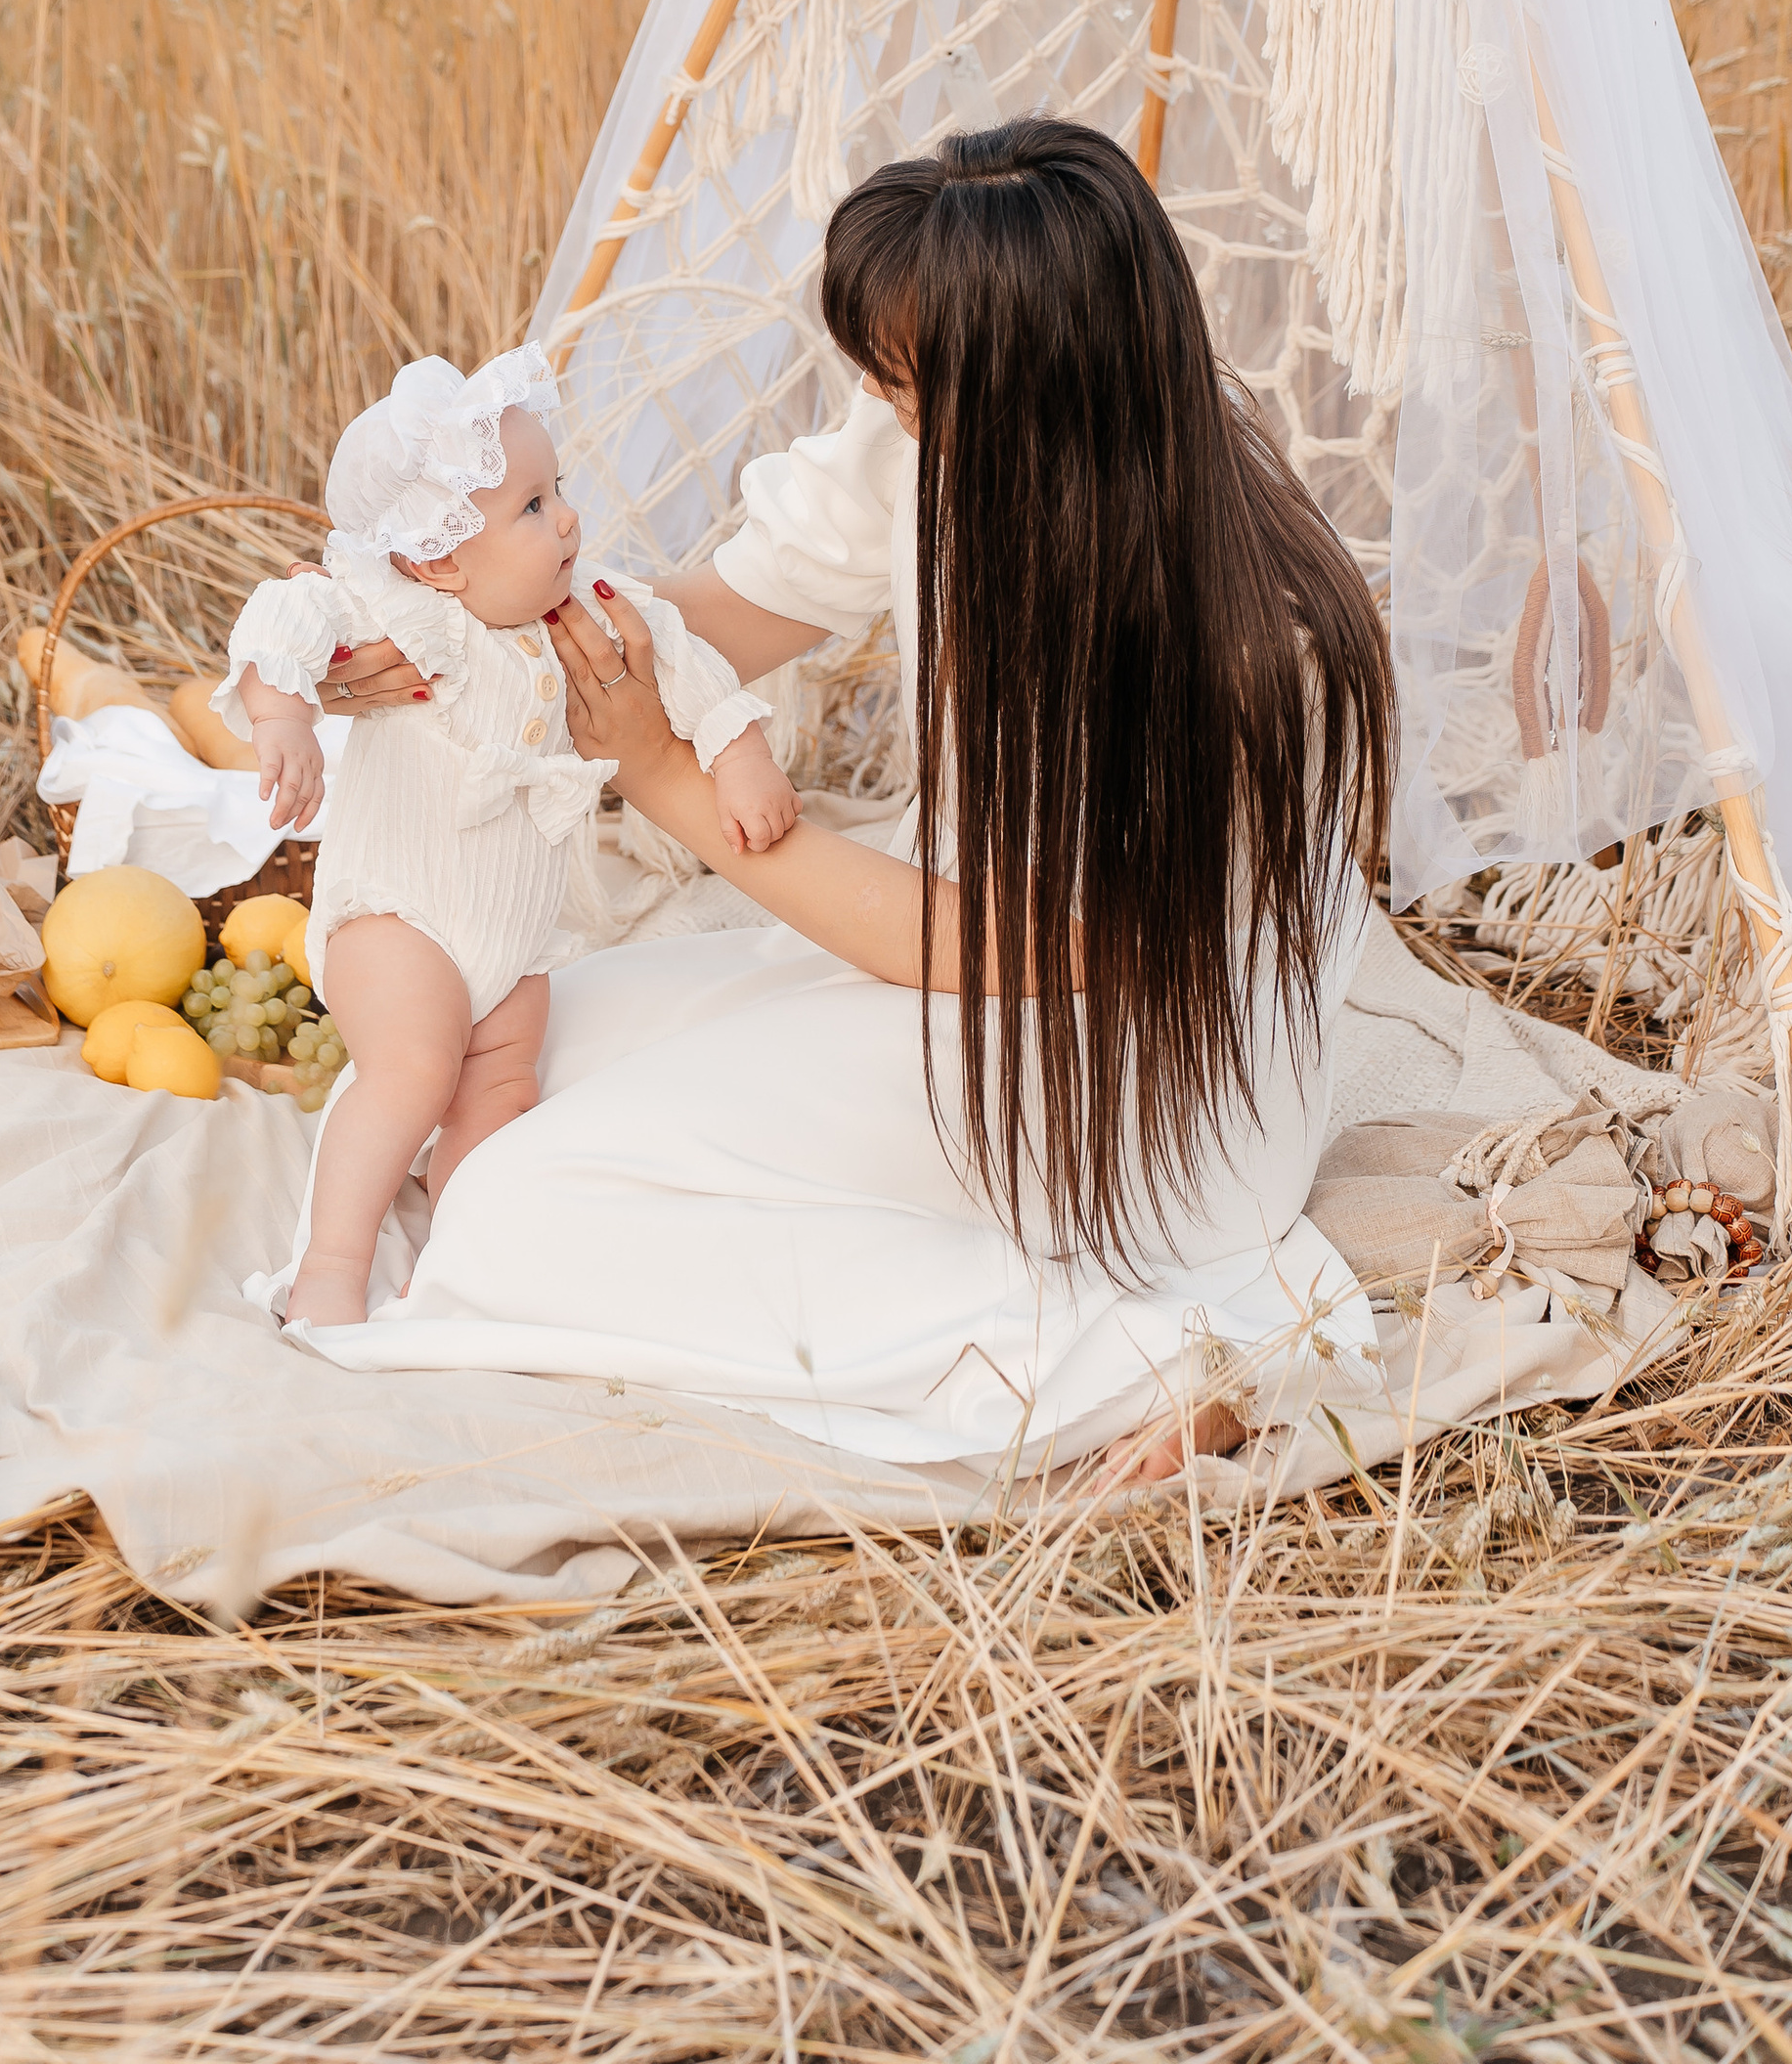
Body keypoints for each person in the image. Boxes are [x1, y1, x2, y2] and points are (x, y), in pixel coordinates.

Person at [263, 120, 1393, 1477]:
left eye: (908, 384)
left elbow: (1026, 951)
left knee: (507, 1212)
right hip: (941, 972)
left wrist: (669, 781)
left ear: (1034, 383)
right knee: (459, 1082)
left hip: (1123, 1074)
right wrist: (471, 644)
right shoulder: (931, 437)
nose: (878, 399)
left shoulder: (1246, 642)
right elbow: (726, 615)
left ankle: (1155, 1356)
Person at [217, 346, 795, 1328]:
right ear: (440, 557)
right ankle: (331, 1262)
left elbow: (680, 655)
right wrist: (282, 721)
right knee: (409, 1071)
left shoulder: (583, 607)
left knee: (497, 1093)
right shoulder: (403, 610)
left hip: (513, 941)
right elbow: (289, 608)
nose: (567, 517)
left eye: (557, 491)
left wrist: (737, 751)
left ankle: (462, 1252)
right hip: (399, 919)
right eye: (532, 507)